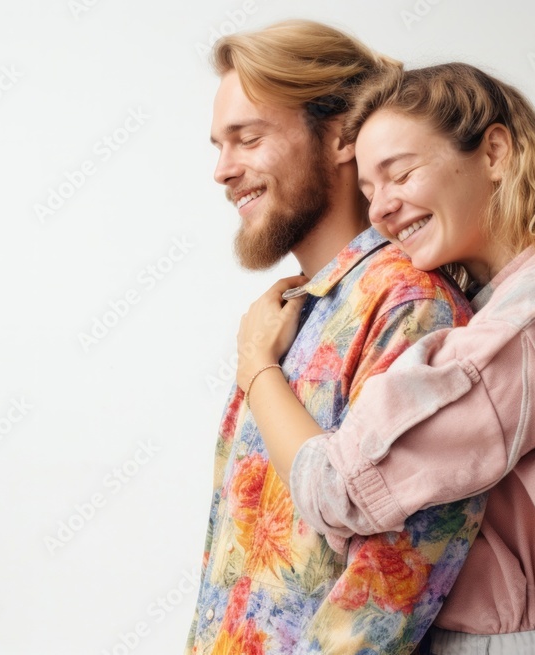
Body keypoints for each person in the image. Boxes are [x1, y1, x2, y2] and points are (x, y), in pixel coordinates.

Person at [236, 62, 535, 654]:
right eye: (367, 190)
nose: (381, 208)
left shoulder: (521, 328)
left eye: (401, 174)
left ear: (494, 152)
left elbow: (341, 489)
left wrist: (257, 366)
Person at [187, 22, 489, 655]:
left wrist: (255, 365)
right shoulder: (291, 318)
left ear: (342, 135)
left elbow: (389, 594)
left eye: (248, 138)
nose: (222, 170)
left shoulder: (413, 310)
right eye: (219, 145)